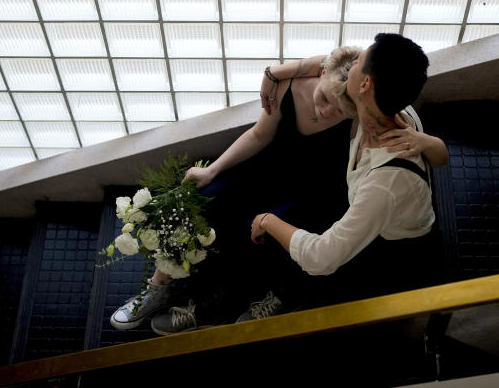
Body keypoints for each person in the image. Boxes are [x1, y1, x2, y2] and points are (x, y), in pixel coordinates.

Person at [110, 45, 445, 333]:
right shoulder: (298, 82)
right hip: (267, 170)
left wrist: (424, 140)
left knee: (267, 237)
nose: (325, 110)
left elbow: (430, 149)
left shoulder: (365, 114)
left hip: (317, 189)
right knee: (203, 199)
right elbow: (259, 134)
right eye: (324, 98)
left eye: (337, 109)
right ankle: (158, 286)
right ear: (322, 72)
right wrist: (213, 169)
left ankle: (230, 300)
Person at [246, 33, 444, 314]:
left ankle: (287, 298)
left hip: (391, 251)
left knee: (322, 275)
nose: (354, 61)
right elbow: (330, 63)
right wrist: (274, 73)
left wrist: (266, 220)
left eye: (361, 60)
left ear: (364, 83)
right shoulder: (388, 106)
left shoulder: (385, 184)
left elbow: (321, 258)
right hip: (373, 208)